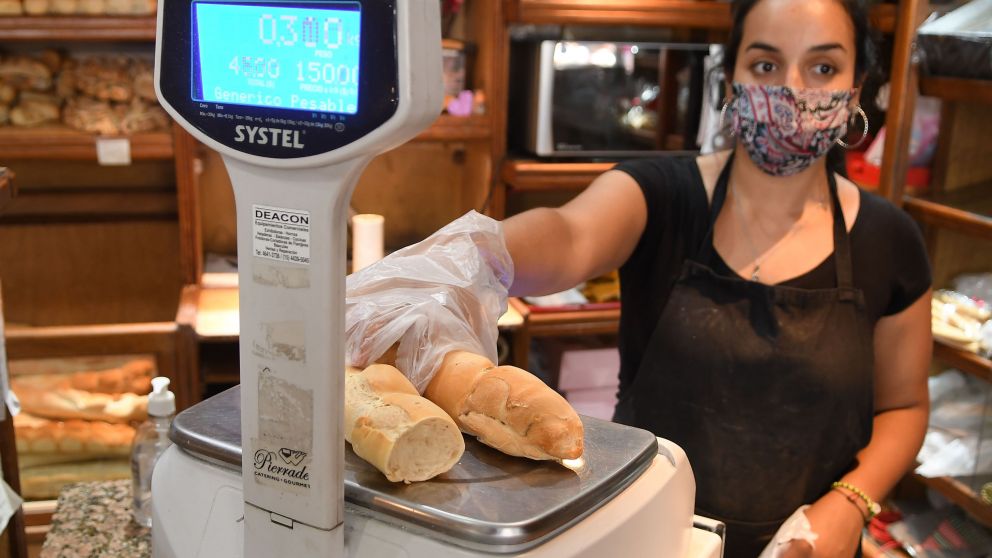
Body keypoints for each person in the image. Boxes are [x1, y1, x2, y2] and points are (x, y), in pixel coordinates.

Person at [498, 0, 932, 556]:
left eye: (822, 68)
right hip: (646, 535)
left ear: (857, 88)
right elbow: (568, 235)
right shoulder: (660, 195)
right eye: (766, 65)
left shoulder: (888, 239)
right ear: (729, 80)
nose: (792, 91)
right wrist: (473, 254)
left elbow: (905, 407)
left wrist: (850, 503)